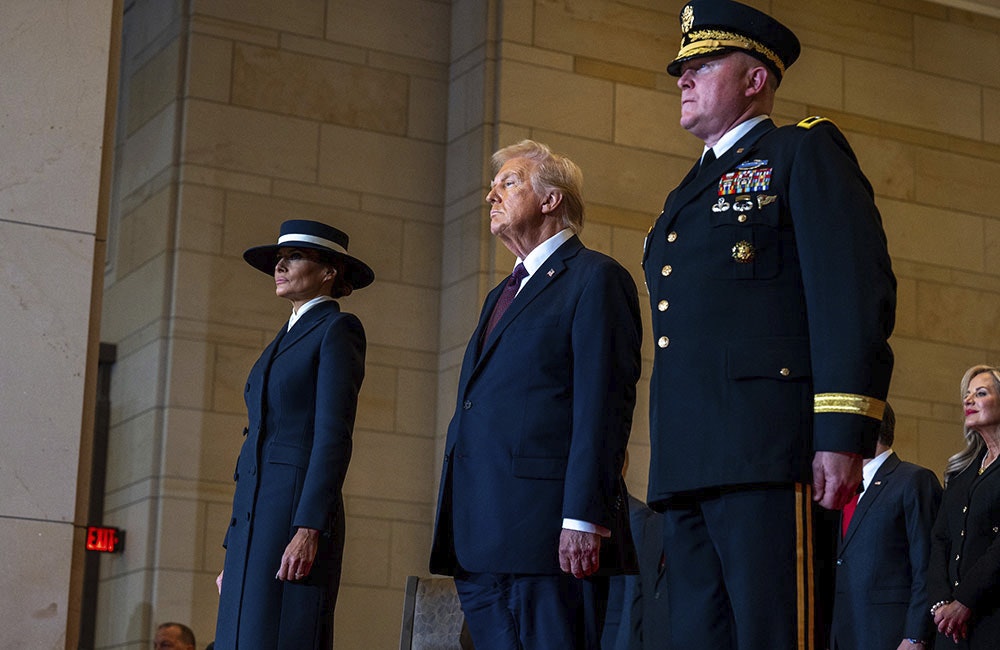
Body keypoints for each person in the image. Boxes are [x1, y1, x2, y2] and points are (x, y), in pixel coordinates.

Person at [642, 2, 896, 648]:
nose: (684, 78)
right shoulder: (684, 195)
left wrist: (841, 432)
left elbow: (851, 293)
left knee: (776, 634)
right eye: (682, 67)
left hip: (767, 450)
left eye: (702, 64)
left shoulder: (801, 152)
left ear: (755, 80)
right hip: (689, 460)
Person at [429, 139, 643, 649]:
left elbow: (603, 408)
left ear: (551, 201)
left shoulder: (595, 278)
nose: (490, 196)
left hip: (547, 535)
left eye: (509, 182)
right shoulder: (500, 294)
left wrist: (583, 516)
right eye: (493, 185)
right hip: (480, 535)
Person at [214, 219, 373, 649]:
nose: (280, 266)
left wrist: (308, 528)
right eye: (279, 259)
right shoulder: (283, 338)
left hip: (292, 516)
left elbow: (333, 436)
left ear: (329, 272)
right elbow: (256, 445)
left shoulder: (337, 330)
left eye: (295, 257)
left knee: (280, 636)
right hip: (254, 521)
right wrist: (235, 548)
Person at [830, 403, 942, 649]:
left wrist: (916, 634)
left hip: (891, 635)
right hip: (845, 634)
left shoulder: (914, 480)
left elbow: (927, 564)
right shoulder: (844, 488)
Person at [927, 365, 1000, 648]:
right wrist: (941, 604)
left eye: (980, 393)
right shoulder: (961, 473)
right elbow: (940, 540)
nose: (968, 400)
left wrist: (965, 600)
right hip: (951, 627)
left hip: (990, 620)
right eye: (966, 395)